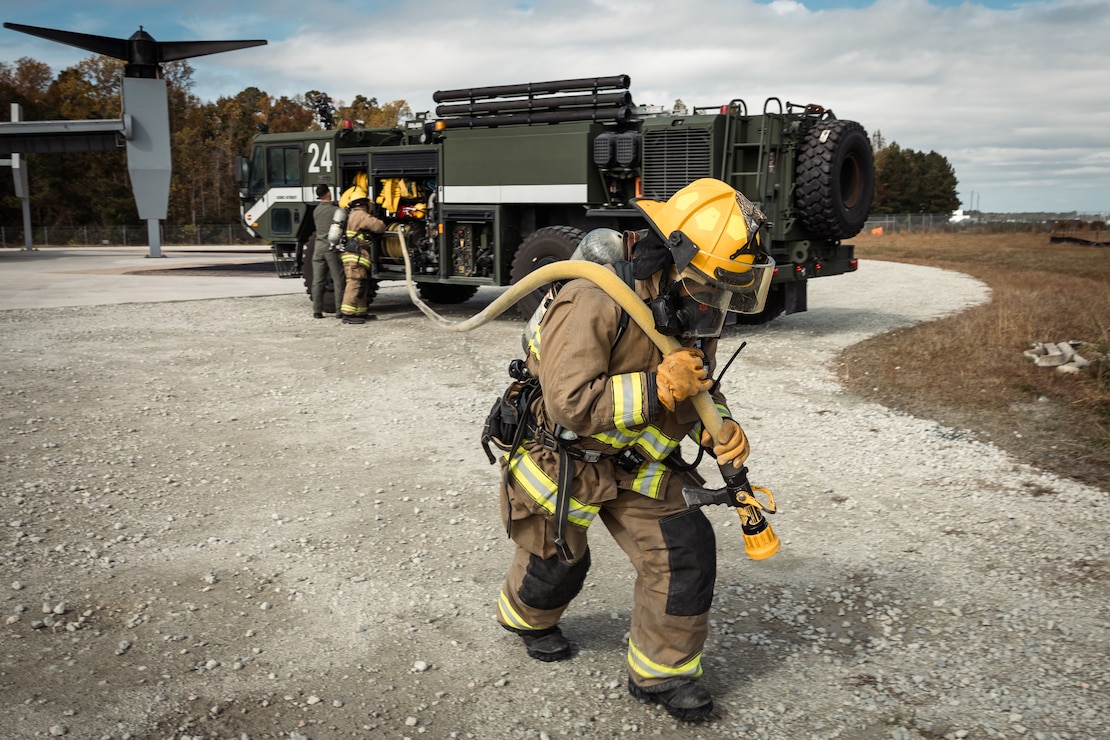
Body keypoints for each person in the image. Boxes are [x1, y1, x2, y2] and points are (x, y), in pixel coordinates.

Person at [493, 179, 774, 722]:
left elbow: (697, 385)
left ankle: (662, 673)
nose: (713, 303)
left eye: (723, 290)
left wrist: (721, 427)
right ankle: (526, 619)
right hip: (566, 459)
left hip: (638, 464)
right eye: (707, 286)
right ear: (670, 256)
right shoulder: (593, 297)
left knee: (686, 550)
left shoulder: (694, 300)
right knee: (558, 567)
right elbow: (571, 401)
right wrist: (656, 390)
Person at [338, 188, 384, 324]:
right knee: (354, 282)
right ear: (364, 203)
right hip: (356, 255)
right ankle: (348, 314)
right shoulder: (360, 215)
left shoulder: (351, 214)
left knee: (362, 283)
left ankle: (360, 312)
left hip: (356, 254)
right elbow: (379, 226)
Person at [310, 184, 345, 319]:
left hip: (318, 249)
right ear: (329, 193)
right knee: (338, 279)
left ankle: (317, 311)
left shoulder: (316, 210)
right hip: (331, 248)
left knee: (317, 280)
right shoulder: (335, 211)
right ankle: (339, 310)